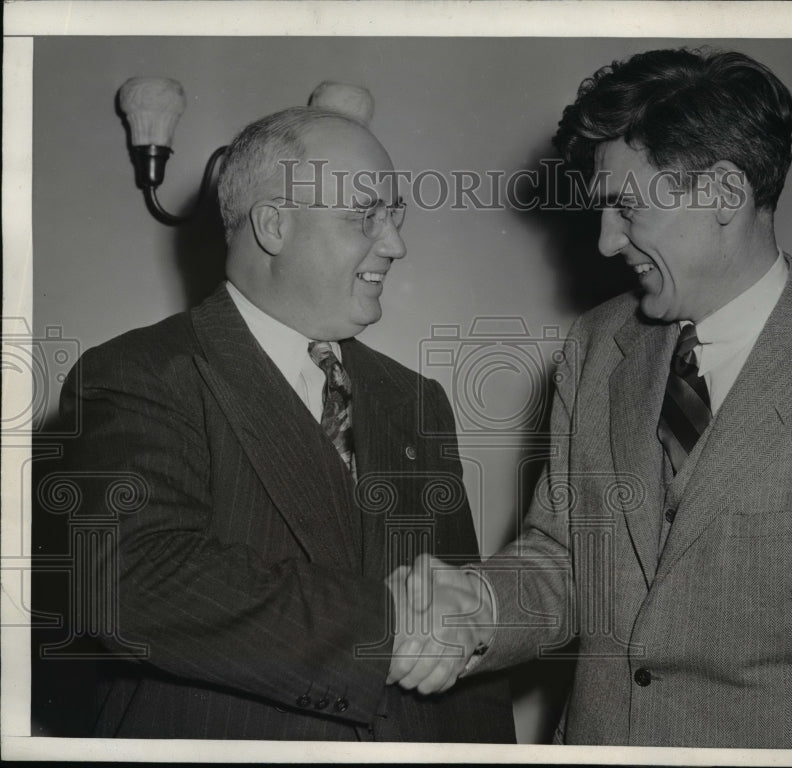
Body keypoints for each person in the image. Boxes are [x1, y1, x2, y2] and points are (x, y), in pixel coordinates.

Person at [387, 48, 792, 748]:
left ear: (722, 193)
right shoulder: (598, 346)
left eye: (626, 207)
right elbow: (563, 559)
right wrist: (478, 607)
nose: (604, 242)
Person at [59, 99, 514, 742]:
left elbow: (459, 636)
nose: (396, 244)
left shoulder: (417, 400)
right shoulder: (141, 373)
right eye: (366, 218)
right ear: (273, 225)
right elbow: (133, 579)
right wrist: (383, 626)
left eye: (395, 216)